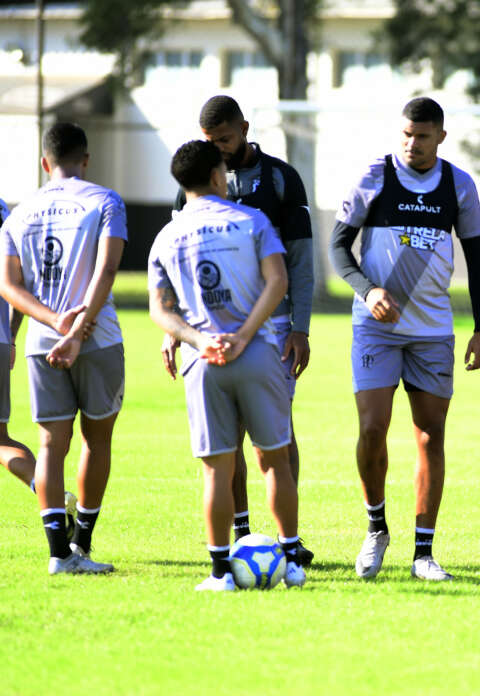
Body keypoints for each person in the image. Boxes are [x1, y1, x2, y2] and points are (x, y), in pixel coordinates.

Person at [330, 97, 480, 581]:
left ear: (440, 136)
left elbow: (479, 261)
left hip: (433, 331)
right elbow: (338, 246)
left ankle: (424, 552)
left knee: (430, 435)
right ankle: (376, 530)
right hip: (375, 327)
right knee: (372, 428)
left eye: (422, 136)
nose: (411, 144)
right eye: (405, 134)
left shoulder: (459, 185)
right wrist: (367, 288)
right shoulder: (373, 177)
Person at [148, 139, 305, 591]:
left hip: (204, 359)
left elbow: (161, 310)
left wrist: (198, 338)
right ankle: (292, 561)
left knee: (217, 469)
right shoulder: (252, 220)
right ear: (219, 176)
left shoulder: (166, 236)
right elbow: (278, 281)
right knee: (274, 460)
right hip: (256, 353)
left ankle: (219, 573)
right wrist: (245, 334)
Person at [0, 122, 126, 575]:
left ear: (44, 162)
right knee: (98, 440)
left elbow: (9, 286)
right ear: (85, 159)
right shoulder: (105, 201)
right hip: (98, 338)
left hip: (41, 341)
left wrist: (54, 323)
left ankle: (58, 555)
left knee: (50, 446)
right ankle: (84, 546)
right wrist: (79, 330)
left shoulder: (18, 213)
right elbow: (108, 269)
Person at [0, 198, 45, 508]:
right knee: (2, 439)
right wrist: (12, 337)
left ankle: (52, 498)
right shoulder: (5, 210)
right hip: (2, 338)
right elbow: (19, 280)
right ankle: (52, 497)